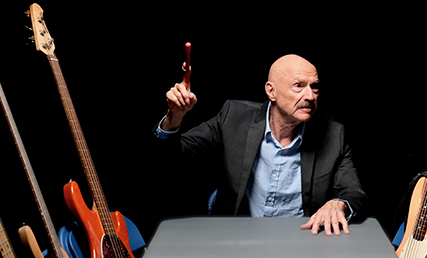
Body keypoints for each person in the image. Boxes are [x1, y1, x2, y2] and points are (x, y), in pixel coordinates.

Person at [154, 54, 366, 235]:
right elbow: (172, 158)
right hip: (237, 238)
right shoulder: (233, 117)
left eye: (315, 87)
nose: (310, 96)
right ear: (271, 91)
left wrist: (339, 204)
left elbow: (354, 193)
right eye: (299, 86)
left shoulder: (333, 135)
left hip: (300, 241)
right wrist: (174, 117)